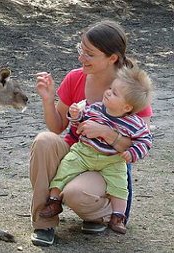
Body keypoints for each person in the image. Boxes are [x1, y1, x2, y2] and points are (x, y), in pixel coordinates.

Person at [30, 20, 153, 247]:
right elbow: (57, 127)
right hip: (76, 151)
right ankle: (43, 222)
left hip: (107, 161)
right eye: (81, 50)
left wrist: (107, 132)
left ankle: (105, 213)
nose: (81, 58)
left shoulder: (132, 90)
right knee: (44, 141)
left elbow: (140, 142)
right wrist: (48, 100)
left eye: (89, 54)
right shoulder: (75, 77)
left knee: (75, 193)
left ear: (112, 58)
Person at [38, 66, 153, 234]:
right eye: (110, 89)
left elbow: (145, 141)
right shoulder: (96, 108)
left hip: (112, 160)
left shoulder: (135, 123)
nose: (107, 93)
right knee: (64, 170)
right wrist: (75, 115)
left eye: (114, 93)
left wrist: (132, 152)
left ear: (127, 107)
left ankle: (118, 216)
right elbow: (78, 124)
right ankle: (54, 201)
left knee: (119, 185)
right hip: (85, 153)